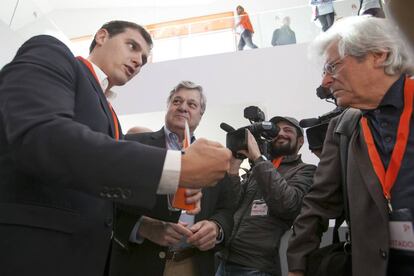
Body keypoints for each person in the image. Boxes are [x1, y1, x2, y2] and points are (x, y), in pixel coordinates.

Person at [0, 20, 231, 276]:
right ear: (101, 36)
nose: (137, 61)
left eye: (143, 59)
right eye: (131, 46)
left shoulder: (110, 115)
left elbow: (99, 189)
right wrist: (176, 168)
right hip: (33, 251)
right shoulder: (52, 54)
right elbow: (44, 137)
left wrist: (161, 204)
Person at [287, 16, 414, 276]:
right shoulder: (343, 127)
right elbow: (319, 203)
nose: (325, 82)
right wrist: (297, 266)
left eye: (333, 67)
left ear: (379, 55)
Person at [109, 81, 236, 276]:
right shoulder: (133, 144)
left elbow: (226, 209)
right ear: (168, 107)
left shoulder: (214, 157)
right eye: (177, 101)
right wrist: (142, 227)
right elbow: (107, 203)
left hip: (192, 264)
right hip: (138, 263)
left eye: (192, 104)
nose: (183, 107)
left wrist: (217, 228)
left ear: (200, 115)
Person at [216, 116, 316, 276]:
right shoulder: (259, 168)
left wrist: (257, 158)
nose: (281, 133)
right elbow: (233, 203)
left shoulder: (306, 171)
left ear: (301, 141)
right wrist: (234, 166)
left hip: (257, 268)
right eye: (277, 130)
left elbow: (288, 205)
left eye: (288, 130)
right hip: (224, 261)